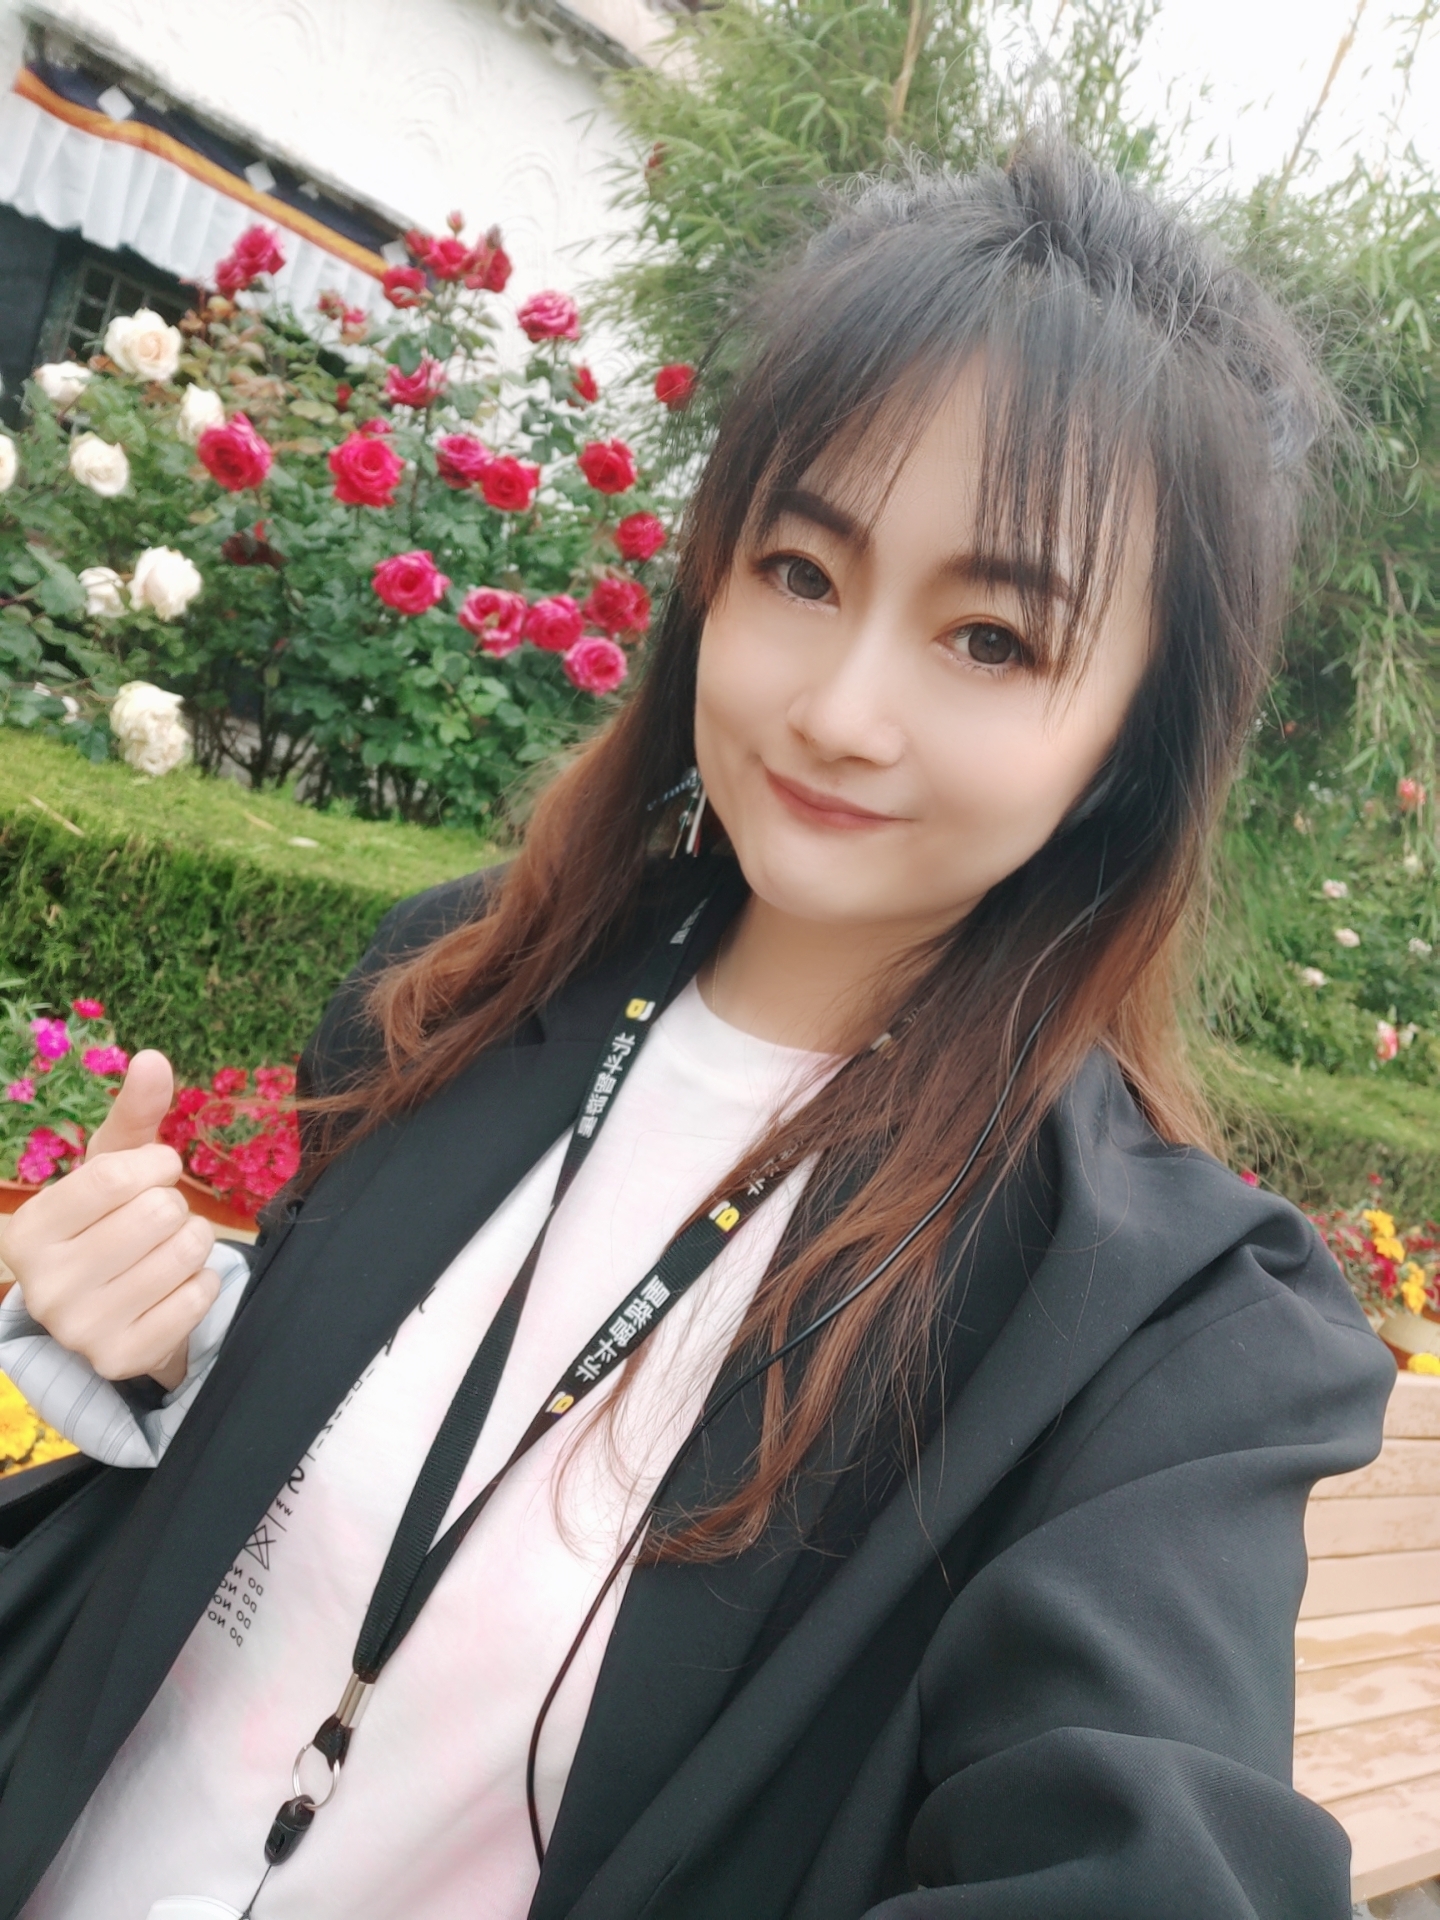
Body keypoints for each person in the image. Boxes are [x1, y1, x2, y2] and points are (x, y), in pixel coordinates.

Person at [0, 139, 1392, 1920]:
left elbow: (1152, 1860)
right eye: (804, 573)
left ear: (1139, 734)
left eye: (991, 638)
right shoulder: (460, 998)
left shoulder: (1152, 1330)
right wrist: (129, 1364)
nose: (844, 712)